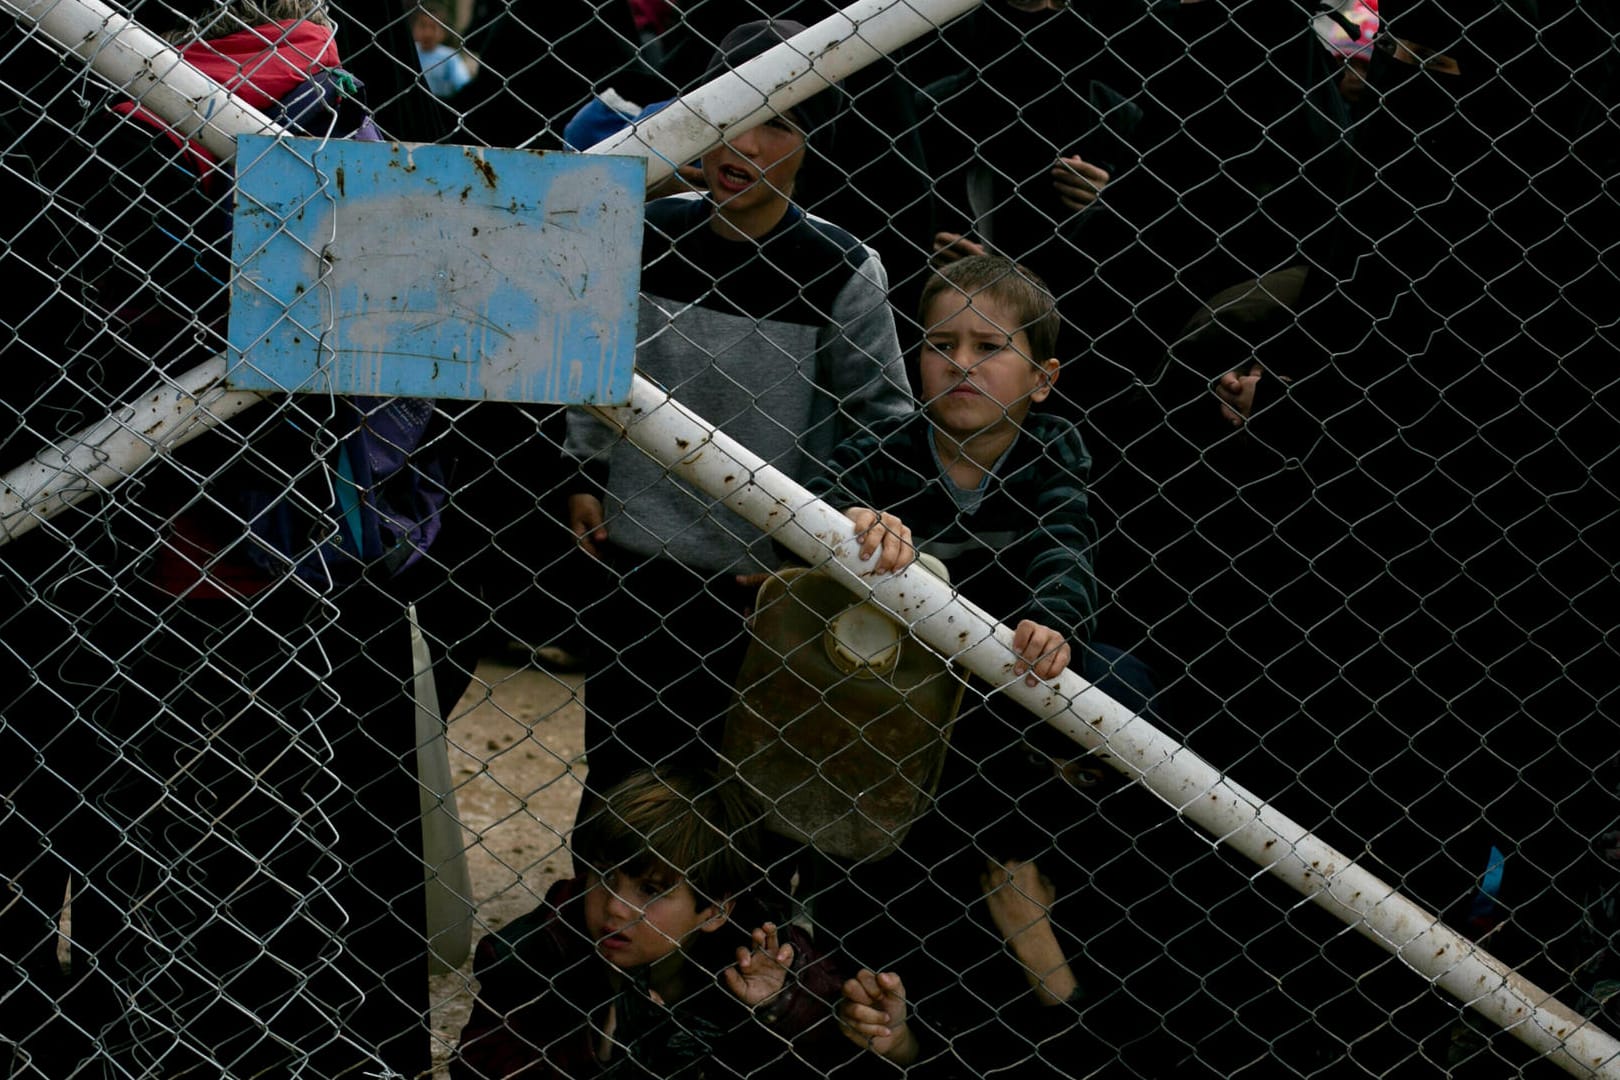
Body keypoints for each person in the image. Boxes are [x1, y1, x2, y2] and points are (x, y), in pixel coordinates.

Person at [0, 4, 458, 1075]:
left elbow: (434, 352)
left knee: (257, 880)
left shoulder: (360, 122)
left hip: (264, 577)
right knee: (85, 846)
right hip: (87, 558)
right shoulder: (58, 101)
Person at [805, 255, 1169, 1071]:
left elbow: (1067, 549)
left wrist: (1052, 619)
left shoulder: (1053, 446)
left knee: (1124, 683)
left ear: (1041, 379)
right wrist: (856, 521)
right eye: (941, 344)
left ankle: (1043, 833)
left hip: (1013, 669)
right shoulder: (886, 444)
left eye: (988, 346)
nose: (961, 363)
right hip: (900, 677)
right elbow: (820, 499)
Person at [562, 19, 913, 798]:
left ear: (811, 142)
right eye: (731, 114)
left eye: (778, 125)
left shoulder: (842, 268)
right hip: (640, 563)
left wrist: (827, 530)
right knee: (619, 773)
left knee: (741, 784)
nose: (744, 147)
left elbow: (880, 415)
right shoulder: (649, 233)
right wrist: (584, 470)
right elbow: (595, 352)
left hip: (763, 588)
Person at [450, 768, 843, 1079]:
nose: (616, 909)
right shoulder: (545, 941)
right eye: (604, 876)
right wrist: (597, 1052)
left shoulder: (761, 952)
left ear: (715, 911)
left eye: (652, 889)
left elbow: (836, 1051)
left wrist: (776, 1010)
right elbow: (478, 1059)